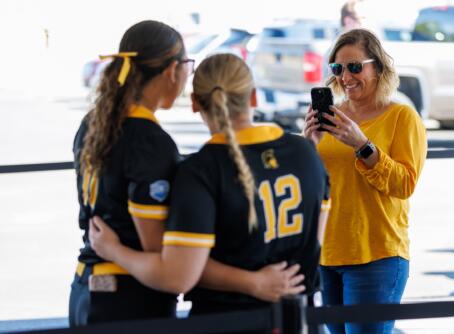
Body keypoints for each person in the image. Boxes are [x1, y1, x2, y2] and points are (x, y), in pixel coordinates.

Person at [89, 53, 331, 322]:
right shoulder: (306, 152)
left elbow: (179, 274)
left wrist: (114, 251)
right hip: (299, 319)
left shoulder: (200, 171)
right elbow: (314, 243)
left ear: (195, 103)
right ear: (253, 97)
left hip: (225, 321)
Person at [303, 29, 427, 334]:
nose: (346, 76)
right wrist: (308, 146)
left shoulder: (402, 117)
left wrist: (363, 145)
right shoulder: (330, 118)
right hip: (328, 253)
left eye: (355, 66)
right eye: (337, 68)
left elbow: (404, 185)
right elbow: (312, 186)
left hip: (377, 255)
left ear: (379, 67)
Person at [69, 20, 190, 326]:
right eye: (188, 65)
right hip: (129, 297)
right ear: (171, 71)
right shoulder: (148, 140)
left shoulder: (94, 122)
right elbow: (157, 252)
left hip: (87, 286)